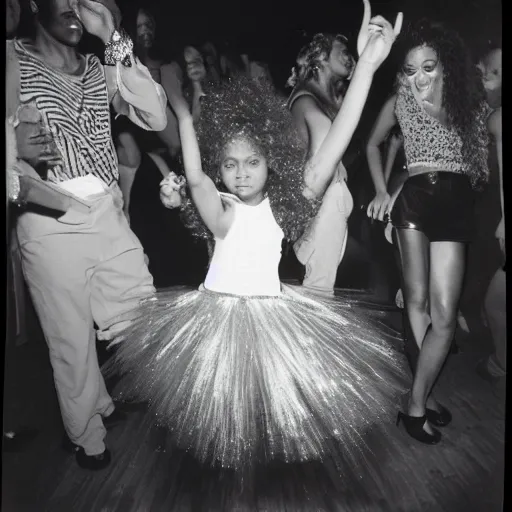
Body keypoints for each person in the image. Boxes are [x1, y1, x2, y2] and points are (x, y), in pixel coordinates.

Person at [104, 2, 403, 476]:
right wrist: (181, 117)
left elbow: (337, 144)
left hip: (272, 322)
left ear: (272, 160)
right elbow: (197, 175)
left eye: (253, 162)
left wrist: (366, 66)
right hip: (216, 324)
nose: (241, 175)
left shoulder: (286, 205)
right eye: (230, 164)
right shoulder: (221, 211)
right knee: (224, 426)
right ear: (219, 165)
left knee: (261, 424)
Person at [7, 0, 167, 470]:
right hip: (48, 214)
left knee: (142, 313)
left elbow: (155, 116)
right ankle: (87, 436)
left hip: (106, 211)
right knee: (71, 340)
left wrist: (113, 36)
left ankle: (101, 403)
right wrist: (11, 141)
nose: (77, 8)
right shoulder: (12, 58)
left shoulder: (100, 66)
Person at [366, 20, 489, 444]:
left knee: (445, 315)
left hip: (456, 205)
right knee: (415, 303)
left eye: (428, 67)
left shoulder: (468, 103)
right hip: (414, 201)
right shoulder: (402, 98)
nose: (418, 77)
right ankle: (418, 405)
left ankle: (420, 392)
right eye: (410, 69)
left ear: (446, 66)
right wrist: (383, 190)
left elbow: (480, 166)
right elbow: (371, 144)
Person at [286, 31, 356, 295]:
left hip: (325, 211)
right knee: (319, 295)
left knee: (320, 292)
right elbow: (317, 167)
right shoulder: (306, 101)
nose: (350, 57)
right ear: (321, 58)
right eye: (343, 50)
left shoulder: (312, 98)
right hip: (321, 211)